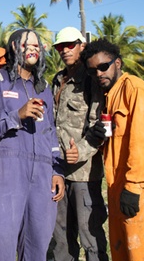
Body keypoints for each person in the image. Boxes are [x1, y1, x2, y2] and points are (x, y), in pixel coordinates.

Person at [0, 29, 65, 261]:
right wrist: (16, 116)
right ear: (16, 46)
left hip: (42, 173)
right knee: (2, 241)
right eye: (29, 44)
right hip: (6, 170)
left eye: (38, 46)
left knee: (38, 240)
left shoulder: (44, 88)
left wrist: (57, 171)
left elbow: (50, 131)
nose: (35, 49)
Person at [81, 38, 144, 261]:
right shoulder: (109, 95)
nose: (99, 73)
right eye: (92, 71)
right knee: (123, 251)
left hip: (140, 190)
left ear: (118, 63)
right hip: (118, 188)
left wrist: (133, 188)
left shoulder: (136, 90)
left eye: (103, 66)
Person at [50, 27, 108, 261]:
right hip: (58, 171)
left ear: (82, 46)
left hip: (84, 174)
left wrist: (80, 151)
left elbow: (99, 126)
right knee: (60, 239)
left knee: (90, 237)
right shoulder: (57, 79)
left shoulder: (92, 79)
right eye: (59, 47)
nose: (64, 50)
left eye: (70, 45)